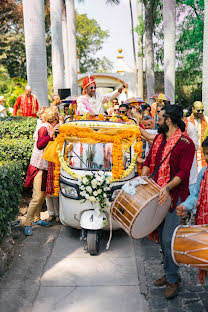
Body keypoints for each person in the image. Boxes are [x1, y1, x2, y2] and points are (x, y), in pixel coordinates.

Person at [142, 104, 195, 299]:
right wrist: (143, 178)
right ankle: (169, 273)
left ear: (169, 120)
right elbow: (148, 161)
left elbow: (183, 173)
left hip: (175, 195)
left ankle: (173, 279)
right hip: (156, 194)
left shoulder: (186, 143)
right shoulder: (158, 138)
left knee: (168, 239)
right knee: (160, 239)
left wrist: (167, 188)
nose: (157, 121)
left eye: (160, 118)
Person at [176, 137, 208, 284]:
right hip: (204, 229)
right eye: (205, 153)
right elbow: (195, 195)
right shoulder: (203, 173)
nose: (207, 157)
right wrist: (185, 206)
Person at [24, 107, 59, 236]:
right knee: (37, 196)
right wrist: (50, 136)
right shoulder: (45, 128)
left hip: (44, 166)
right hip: (38, 166)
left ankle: (37, 218)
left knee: (42, 195)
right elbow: (40, 144)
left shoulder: (49, 127)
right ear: (54, 119)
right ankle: (27, 224)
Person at [188, 101, 208, 171]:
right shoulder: (187, 122)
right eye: (198, 110)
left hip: (204, 151)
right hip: (193, 152)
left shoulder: (207, 120)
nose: (200, 112)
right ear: (193, 109)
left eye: (202, 110)